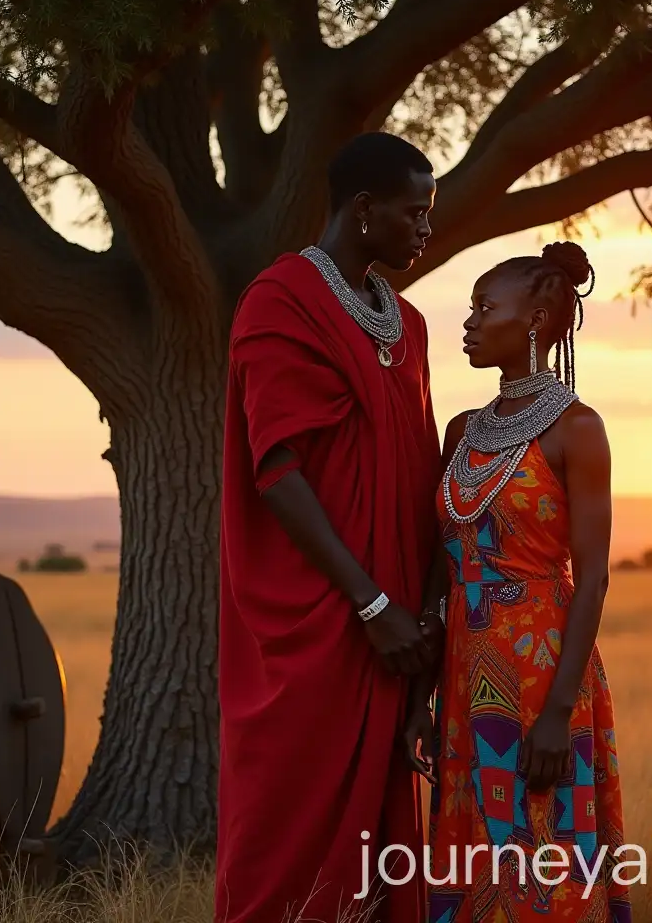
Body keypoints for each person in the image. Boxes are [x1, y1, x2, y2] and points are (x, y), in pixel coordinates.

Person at [216, 131, 449, 923]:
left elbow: (417, 474)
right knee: (285, 828)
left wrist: (419, 619)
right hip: (321, 617)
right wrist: (371, 605)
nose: (425, 231)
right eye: (414, 214)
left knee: (382, 852)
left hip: (398, 633)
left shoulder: (409, 325)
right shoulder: (278, 301)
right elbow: (276, 472)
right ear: (362, 211)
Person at [413, 242, 632, 922]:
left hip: (543, 678)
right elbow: (436, 574)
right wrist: (418, 697)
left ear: (537, 318)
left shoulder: (577, 430)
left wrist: (560, 715)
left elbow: (592, 579)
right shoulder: (460, 433)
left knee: (541, 858)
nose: (470, 322)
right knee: (469, 853)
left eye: (485, 307)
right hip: (462, 671)